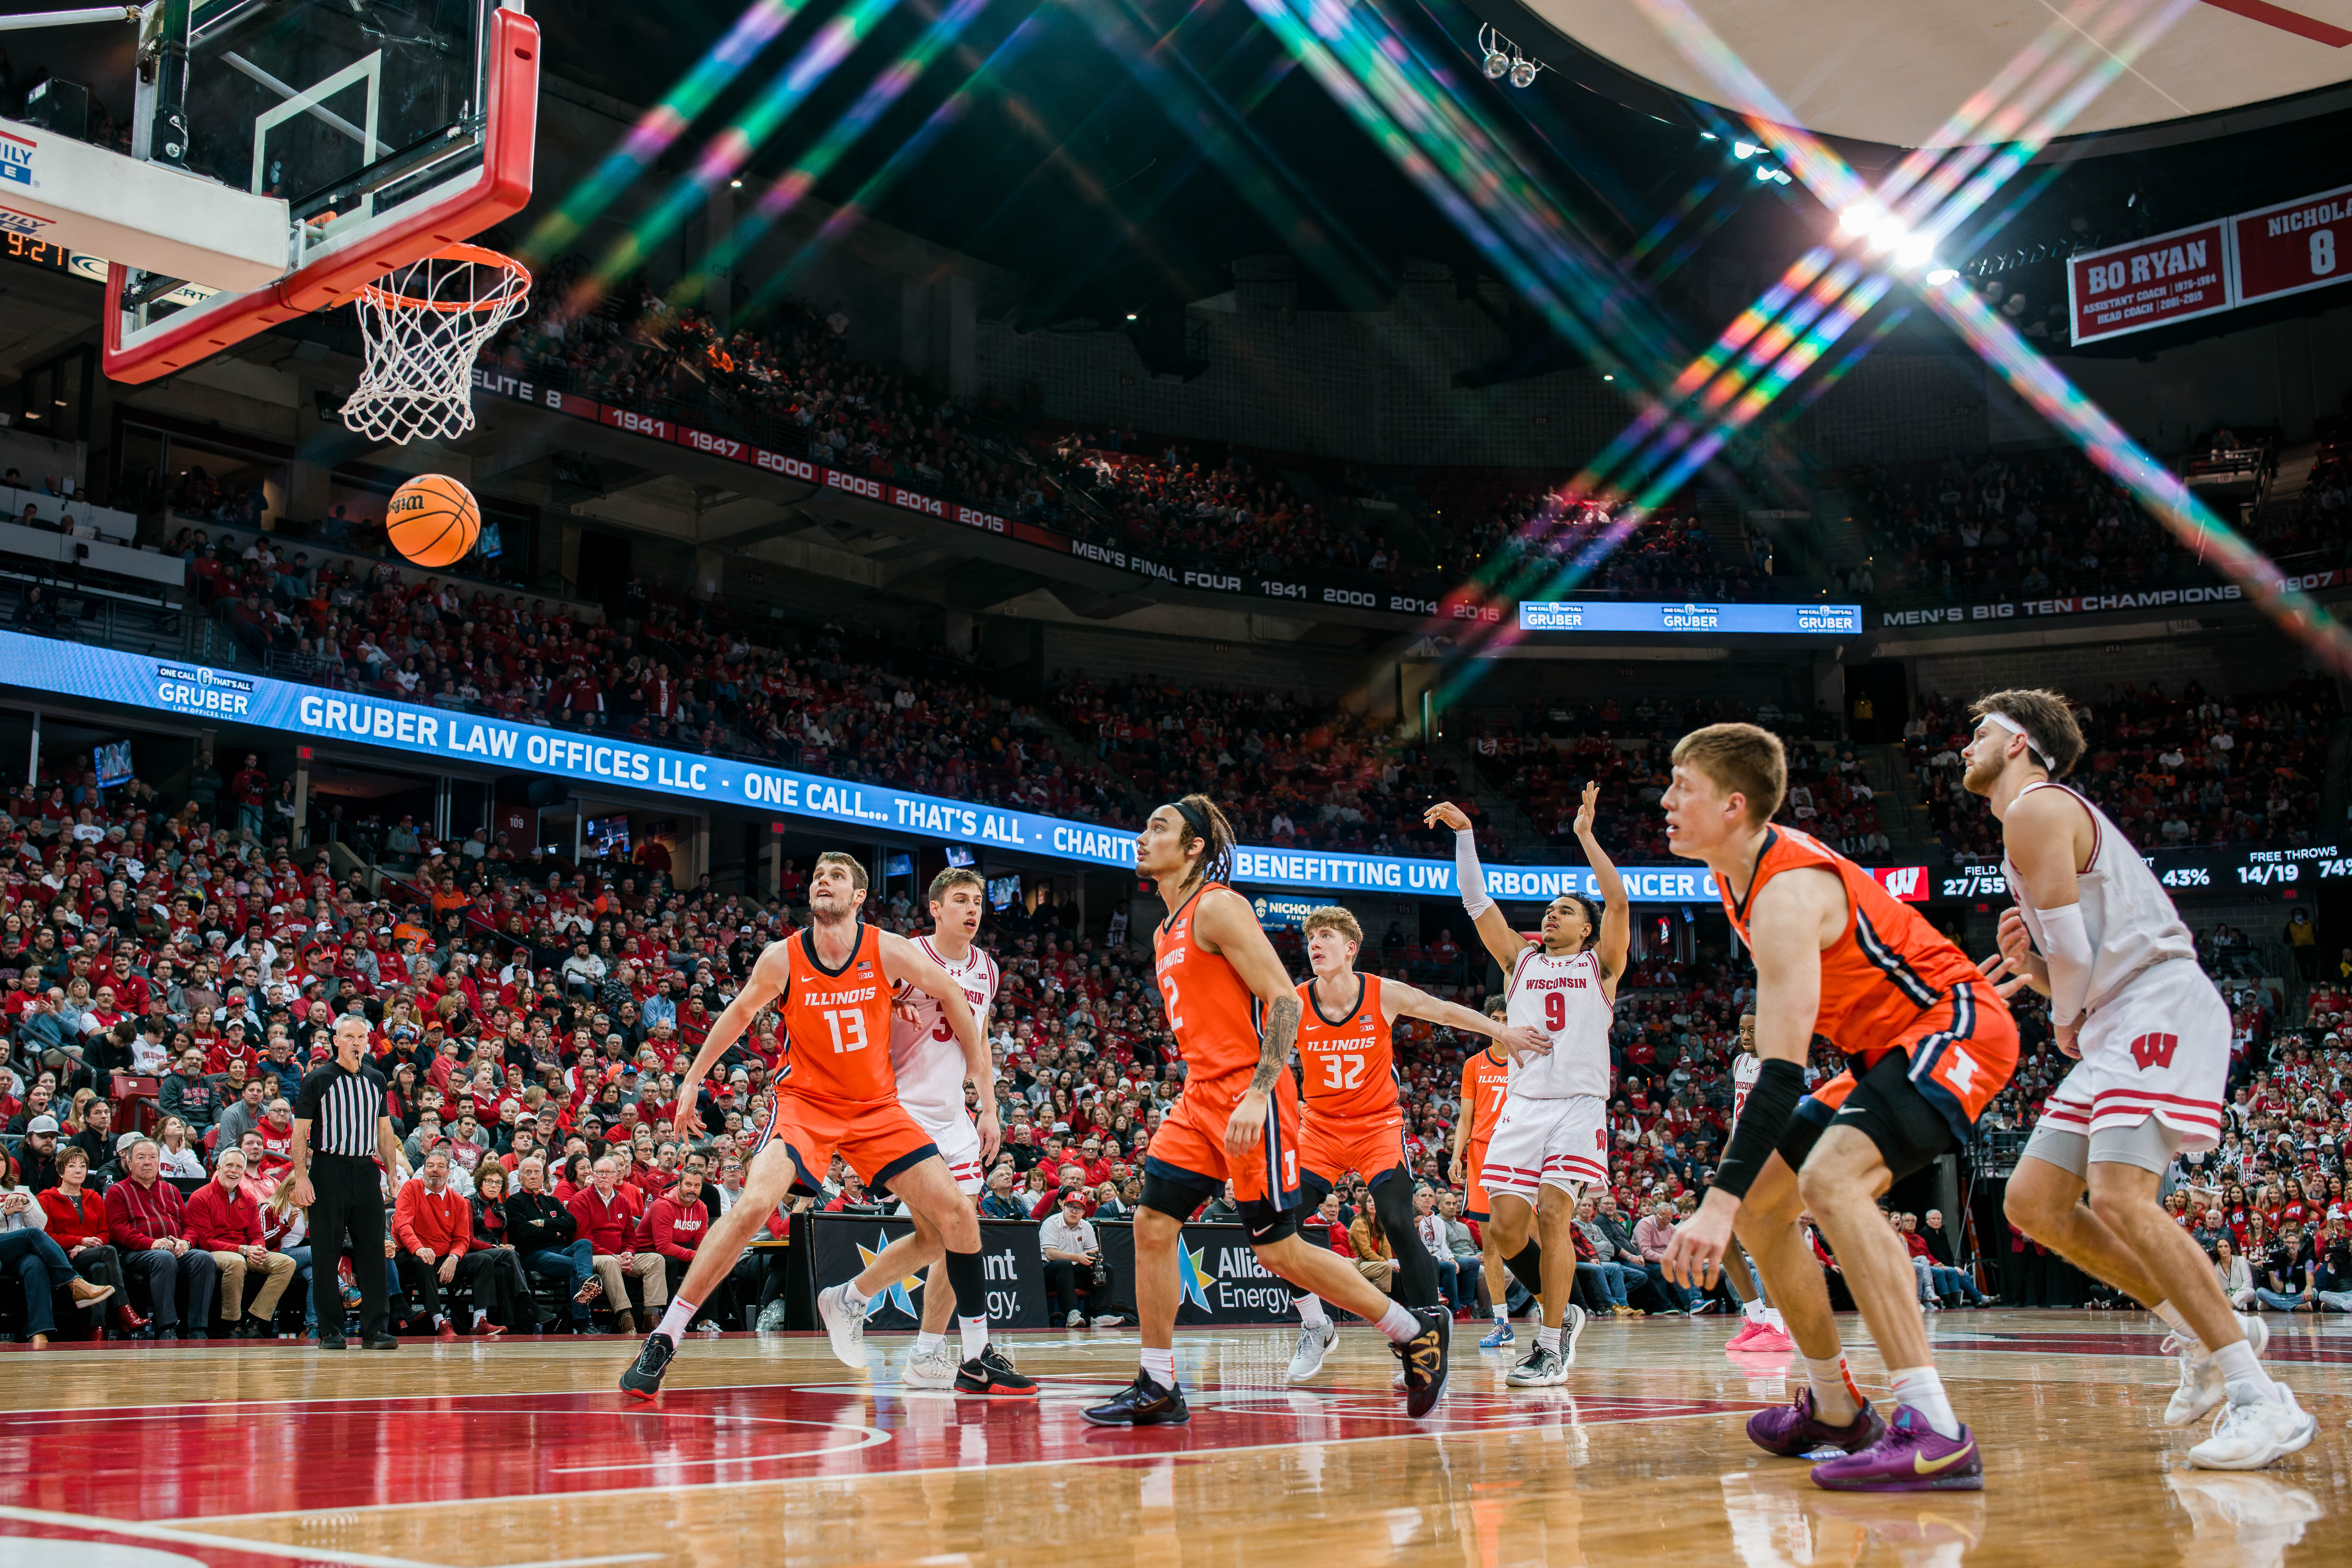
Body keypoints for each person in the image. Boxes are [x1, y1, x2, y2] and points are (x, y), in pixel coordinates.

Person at [1659, 722, 2018, 1491]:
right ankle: (1834, 1407)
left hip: (1953, 1025)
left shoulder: (1786, 892)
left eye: (1679, 786)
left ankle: (1936, 1427)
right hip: (1886, 1052)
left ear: (1732, 804)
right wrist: (1733, 1202)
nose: (1665, 800)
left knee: (1829, 1181)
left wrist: (1711, 1206)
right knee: (1763, 1205)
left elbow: (1780, 1073)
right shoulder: (1737, 875)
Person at [1974, 690, 2314, 1470]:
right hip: (2116, 1015)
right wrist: (2033, 966)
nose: (1965, 747)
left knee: (2122, 1193)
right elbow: (2070, 943)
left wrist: (2058, 1010)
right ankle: (2201, 1331)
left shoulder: (2035, 805)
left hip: (2152, 1000)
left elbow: (2069, 947)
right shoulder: (2028, 825)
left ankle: (2262, 1396)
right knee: (2032, 1200)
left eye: (1980, 732)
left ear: (2020, 742)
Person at [1083, 797, 1448, 1428]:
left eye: (1158, 828)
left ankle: (1411, 1330)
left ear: (1193, 846)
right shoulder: (1164, 927)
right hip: (1200, 1096)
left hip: (1252, 1096)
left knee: (1277, 1250)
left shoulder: (1217, 906)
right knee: (1150, 1224)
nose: (1141, 837)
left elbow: (1285, 1001)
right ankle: (1159, 1383)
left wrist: (1259, 1090)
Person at [619, 850, 1030, 1400]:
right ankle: (665, 1338)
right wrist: (693, 1078)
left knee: (957, 1216)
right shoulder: (781, 957)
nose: (823, 882)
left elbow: (956, 999)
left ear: (859, 896)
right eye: (817, 876)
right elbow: (740, 1013)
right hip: (808, 1105)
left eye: (837, 876)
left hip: (876, 1109)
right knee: (752, 1207)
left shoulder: (886, 949)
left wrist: (984, 1093)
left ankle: (975, 1356)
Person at [1282, 903, 1547, 1382]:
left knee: (1400, 1222)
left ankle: (1425, 1327)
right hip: (1318, 1128)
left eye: (1325, 936)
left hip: (1376, 1126)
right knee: (1276, 1227)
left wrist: (1501, 1030)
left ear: (1350, 948)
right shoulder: (1295, 1001)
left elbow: (1444, 1010)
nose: (1315, 944)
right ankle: (1316, 1325)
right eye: (1310, 938)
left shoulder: (1381, 994)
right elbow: (1266, 1059)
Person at [1427, 782, 1629, 1390]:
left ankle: (1547, 1342)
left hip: (1577, 1105)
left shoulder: (1602, 966)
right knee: (1504, 1231)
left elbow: (1618, 901)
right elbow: (1475, 901)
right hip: (1523, 1104)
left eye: (1566, 911)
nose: (1552, 915)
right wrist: (1465, 835)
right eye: (1549, 910)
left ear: (1588, 931)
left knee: (1552, 1214)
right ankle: (1565, 1310)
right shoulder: (1521, 961)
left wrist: (1586, 837)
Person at [816, 867, 1005, 1389]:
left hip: (953, 1116)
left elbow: (980, 1041)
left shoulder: (987, 968)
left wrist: (989, 1107)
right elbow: (850, 1005)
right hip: (899, 1110)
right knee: (952, 1228)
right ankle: (862, 1307)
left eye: (979, 901)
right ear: (936, 908)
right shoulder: (904, 955)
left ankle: (911, 1341)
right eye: (961, 900)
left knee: (951, 1238)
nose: (973, 910)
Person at [286, 1014, 402, 1350]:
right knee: (326, 1252)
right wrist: (302, 1176)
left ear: (368, 1041)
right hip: (328, 1169)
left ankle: (376, 1329)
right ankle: (330, 1330)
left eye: (362, 1037)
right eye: (349, 1036)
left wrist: (392, 1171)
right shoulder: (319, 1079)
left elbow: (384, 1129)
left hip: (366, 1170)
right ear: (336, 1041)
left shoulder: (377, 1078)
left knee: (373, 1252)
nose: (356, 1043)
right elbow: (299, 1133)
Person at [1721, 1012, 1794, 1351]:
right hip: (1738, 1159)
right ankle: (1755, 1317)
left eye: (1753, 1029)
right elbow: (1736, 1120)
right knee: (1720, 1236)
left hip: (1767, 1161)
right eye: (1742, 1029)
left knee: (1766, 1242)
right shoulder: (1739, 1063)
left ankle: (1777, 1326)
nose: (1746, 1035)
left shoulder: (1778, 1065)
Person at [104, 1137, 219, 1339]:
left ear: (159, 1161)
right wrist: (153, 1243)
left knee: (204, 1258)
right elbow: (118, 1229)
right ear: (129, 1162)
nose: (147, 1162)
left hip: (173, 1250)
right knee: (163, 1258)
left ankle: (197, 1329)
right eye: (141, 1157)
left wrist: (187, 1242)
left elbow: (190, 1226)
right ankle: (167, 1328)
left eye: (152, 1157)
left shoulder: (171, 1190)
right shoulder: (118, 1191)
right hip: (136, 1254)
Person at [1450, 1006, 1516, 1347]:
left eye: (1507, 1019)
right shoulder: (1474, 1064)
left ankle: (1555, 1316)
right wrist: (1455, 1155)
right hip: (1481, 1154)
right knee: (1490, 1246)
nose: (1502, 1025)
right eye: (1496, 1019)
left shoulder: (1526, 1059)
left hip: (1519, 1152)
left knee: (1530, 1239)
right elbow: (1465, 1117)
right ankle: (1501, 1323)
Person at [1, 1146, 114, 1346]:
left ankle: (39, 1333)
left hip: (18, 1252)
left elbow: (40, 1225)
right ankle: (74, 1283)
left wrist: (26, 1206)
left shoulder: (22, 1190)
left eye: (1, 1160)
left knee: (36, 1264)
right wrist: (4, 1213)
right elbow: (37, 1233)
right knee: (33, 1236)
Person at [184, 1147, 297, 1338]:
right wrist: (244, 1249)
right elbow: (207, 1242)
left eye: (239, 1167)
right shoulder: (200, 1197)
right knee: (235, 1262)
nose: (234, 1171)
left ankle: (256, 1321)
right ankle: (231, 1324)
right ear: (218, 1168)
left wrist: (259, 1247)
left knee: (287, 1263)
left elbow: (256, 1233)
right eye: (230, 1165)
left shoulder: (249, 1200)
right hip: (216, 1251)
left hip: (245, 1251)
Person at [36, 1146, 139, 1335]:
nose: (79, 1171)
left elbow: (104, 1234)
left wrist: (86, 1246)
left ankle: (97, 1328)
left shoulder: (94, 1198)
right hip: (62, 1259)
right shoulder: (46, 1199)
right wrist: (80, 1241)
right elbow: (46, 1237)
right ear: (61, 1171)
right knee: (109, 1251)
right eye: (72, 1166)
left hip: (89, 1256)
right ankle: (124, 1307)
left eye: (83, 1166)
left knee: (100, 1267)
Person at [570, 1154, 664, 1333]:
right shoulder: (581, 1199)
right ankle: (625, 1318)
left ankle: (652, 1318)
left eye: (609, 1172)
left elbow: (630, 1236)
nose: (604, 1176)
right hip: (593, 1258)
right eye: (600, 1172)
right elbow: (583, 1240)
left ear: (616, 1176)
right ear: (594, 1175)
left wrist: (629, 1253)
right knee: (611, 1263)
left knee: (656, 1260)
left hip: (619, 1257)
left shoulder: (623, 1201)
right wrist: (614, 1256)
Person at [510, 1154, 601, 1332]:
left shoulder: (552, 1201)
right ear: (520, 1178)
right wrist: (555, 1230)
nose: (534, 1176)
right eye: (528, 1173)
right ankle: (585, 1323)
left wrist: (543, 1224)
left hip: (559, 1249)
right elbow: (522, 1233)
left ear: (543, 1177)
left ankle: (585, 1281)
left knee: (584, 1243)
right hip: (534, 1255)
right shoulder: (514, 1202)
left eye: (537, 1172)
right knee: (576, 1266)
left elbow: (571, 1224)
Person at [1039, 1190, 1101, 1325]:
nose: (1074, 1211)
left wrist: (1096, 1259)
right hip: (1048, 1272)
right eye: (1071, 1207)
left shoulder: (1086, 1226)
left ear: (1084, 1212)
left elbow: (1093, 1252)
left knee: (1105, 1269)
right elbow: (1050, 1254)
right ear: (1063, 1206)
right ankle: (1072, 1313)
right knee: (1064, 1264)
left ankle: (1100, 1314)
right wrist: (1078, 1257)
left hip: (1072, 1271)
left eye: (1079, 1209)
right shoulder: (1051, 1223)